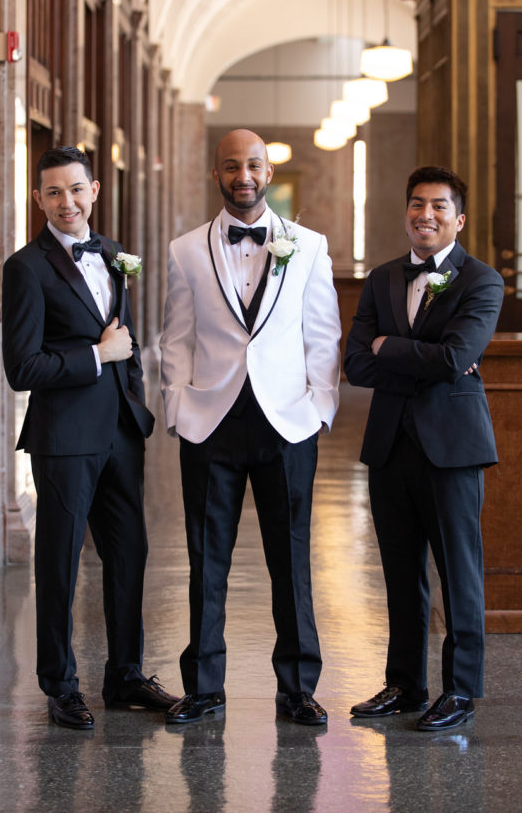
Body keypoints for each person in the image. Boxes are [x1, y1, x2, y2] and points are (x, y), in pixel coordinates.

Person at [159, 128, 341, 726]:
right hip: (210, 423)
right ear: (216, 173)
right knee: (206, 561)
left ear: (268, 172)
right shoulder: (185, 250)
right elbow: (177, 337)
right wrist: (178, 409)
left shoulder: (309, 247)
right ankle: (205, 686)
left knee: (291, 560)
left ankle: (297, 689)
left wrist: (320, 409)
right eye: (232, 165)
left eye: (254, 165)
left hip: (287, 423)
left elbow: (323, 334)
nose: (244, 175)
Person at [2, 146, 178, 730]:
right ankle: (60, 684)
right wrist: (97, 356)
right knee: (59, 562)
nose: (66, 202)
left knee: (129, 554)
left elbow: (123, 336)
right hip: (64, 438)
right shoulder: (25, 268)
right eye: (53, 192)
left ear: (94, 191)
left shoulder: (111, 253)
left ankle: (125, 674)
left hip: (121, 433)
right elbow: (21, 368)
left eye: (75, 189)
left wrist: (134, 396)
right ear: (38, 200)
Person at [344, 165, 504, 731]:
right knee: (399, 570)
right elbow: (356, 363)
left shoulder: (481, 281)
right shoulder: (383, 278)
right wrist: (414, 354)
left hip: (453, 447)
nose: (425, 214)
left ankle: (460, 690)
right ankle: (405, 684)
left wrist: (393, 346)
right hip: (389, 444)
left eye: (439, 206)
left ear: (458, 219)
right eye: (417, 204)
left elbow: (455, 359)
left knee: (458, 571)